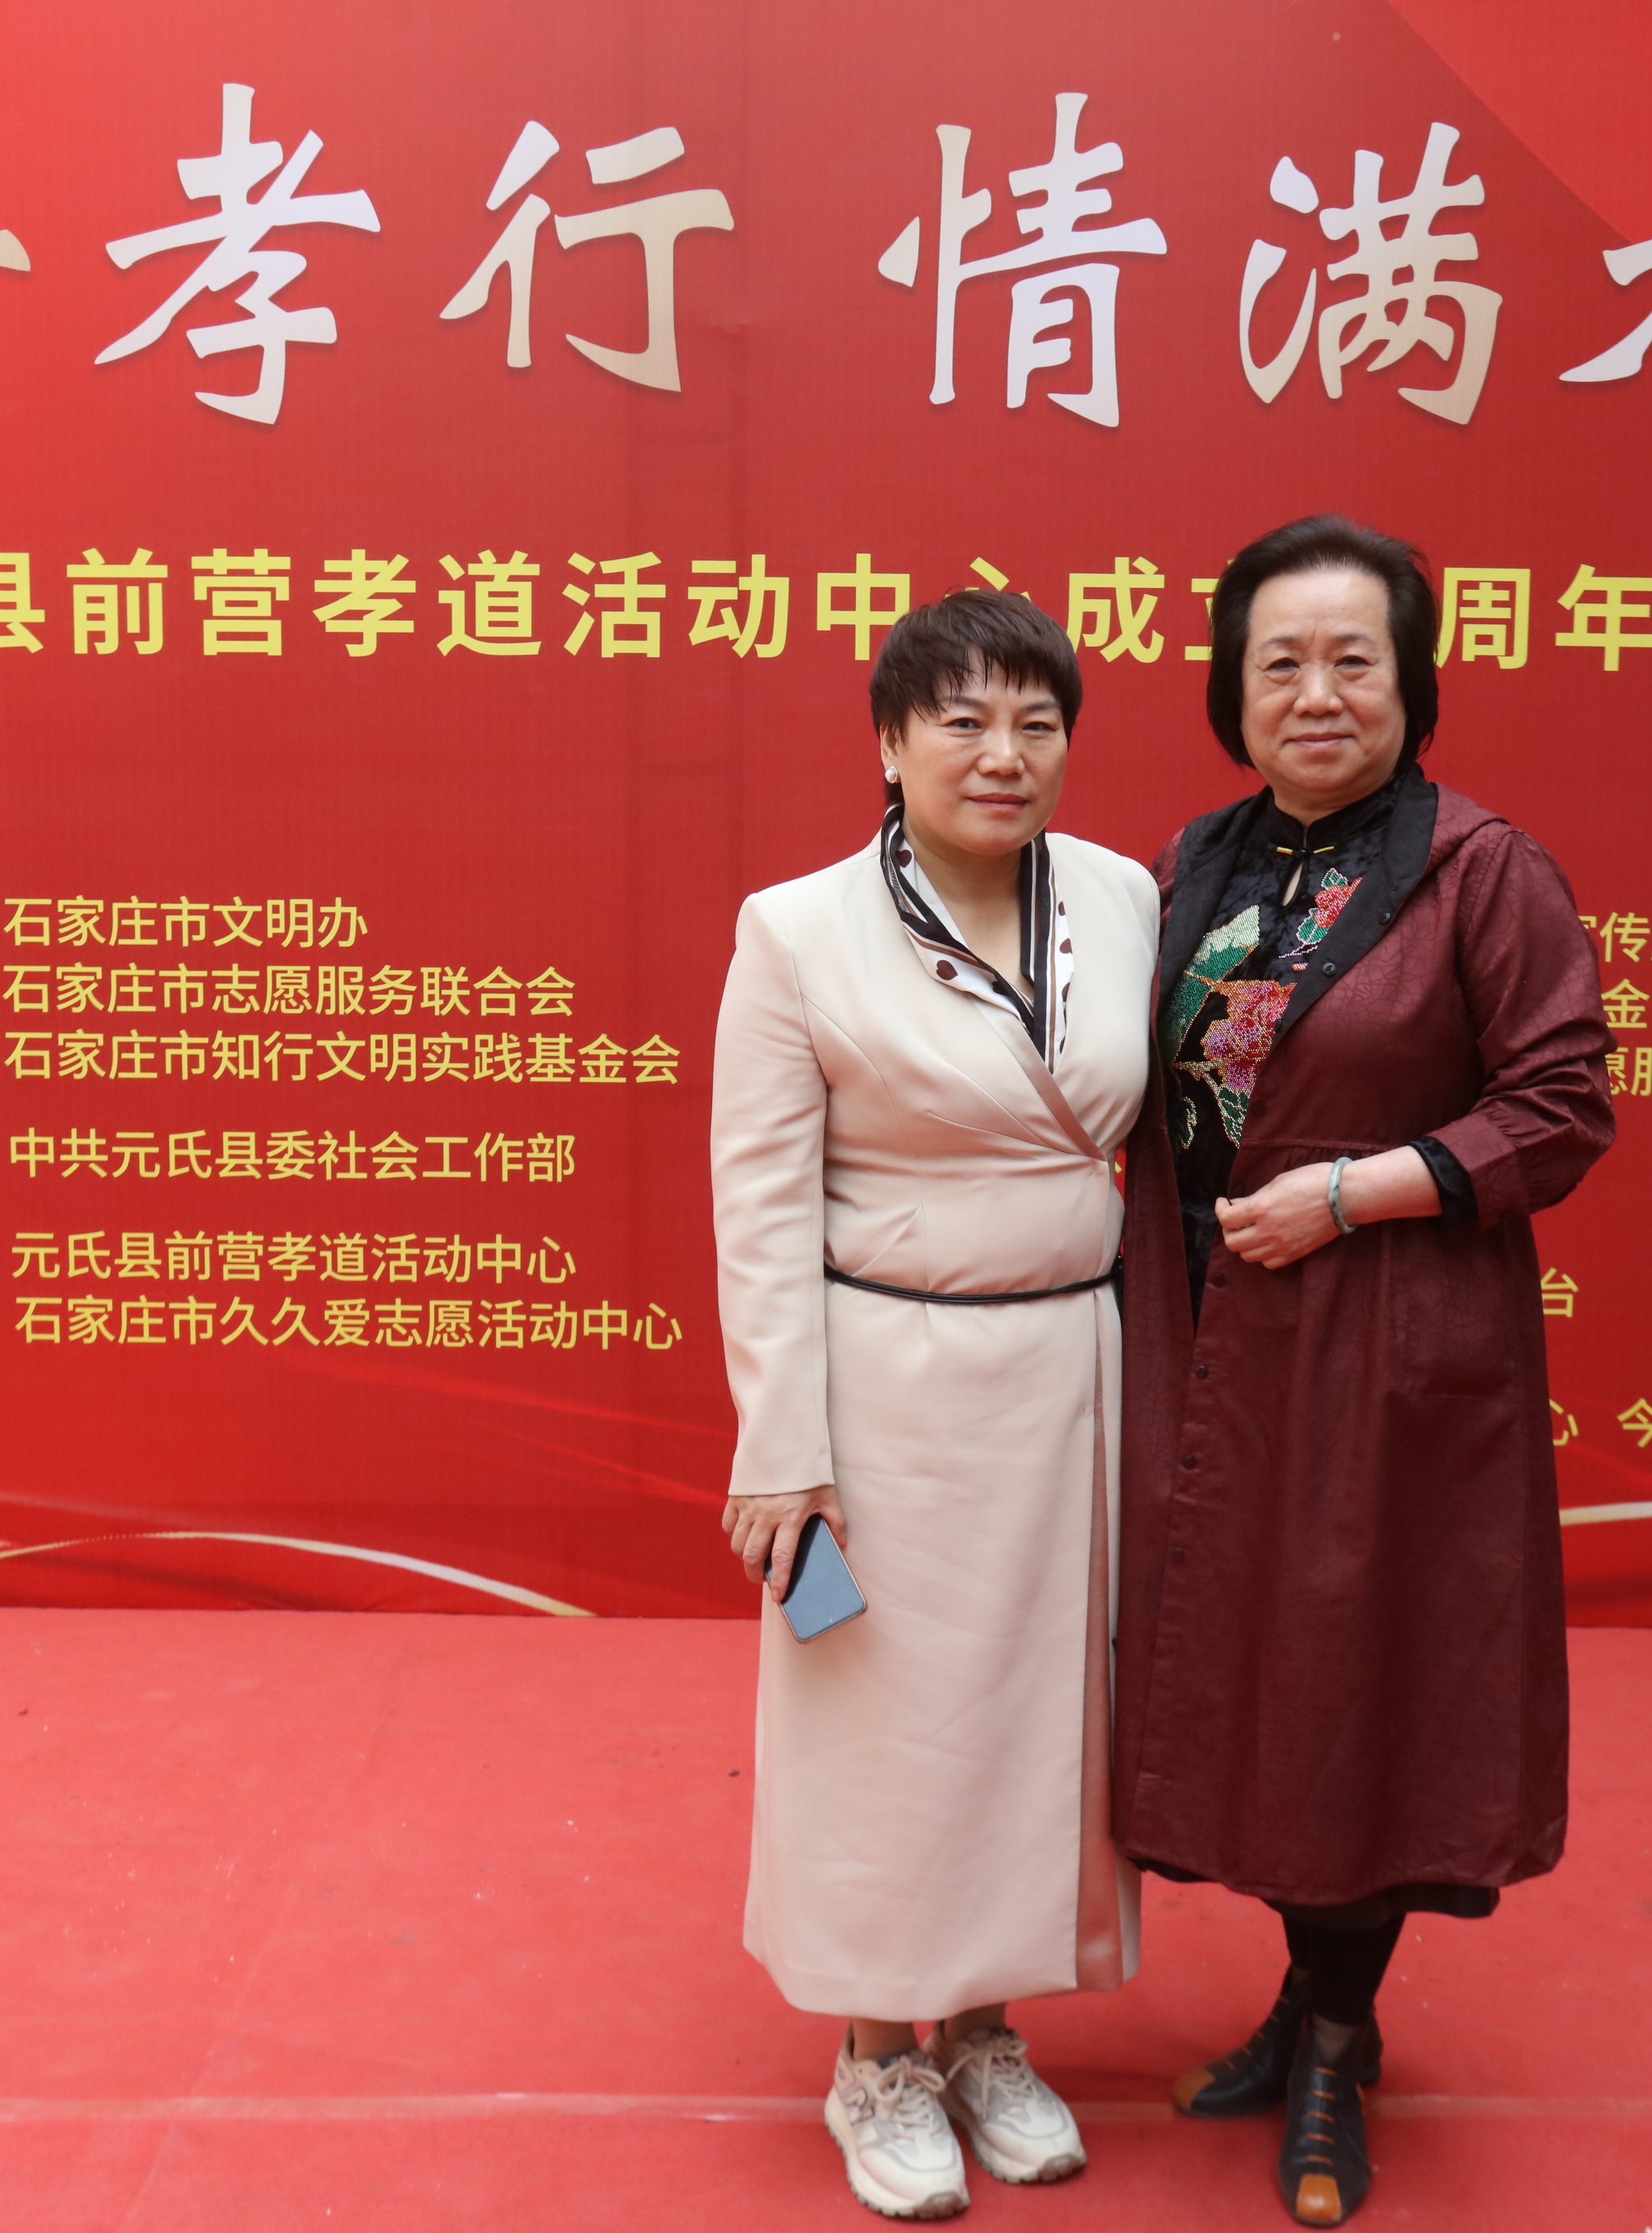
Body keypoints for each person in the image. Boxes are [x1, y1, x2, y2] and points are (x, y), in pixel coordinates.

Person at [1110, 516, 1615, 2227]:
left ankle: (1332, 2041)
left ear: (1410, 683)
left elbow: (1559, 1107)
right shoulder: (1194, 861)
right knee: (1266, 1673)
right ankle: (1305, 1998)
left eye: (1352, 660)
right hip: (1211, 1332)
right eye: (1280, 661)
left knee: (1359, 1673)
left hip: (1388, 1342)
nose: (1314, 693)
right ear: (1228, 689)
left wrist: (1349, 1194)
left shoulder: (1481, 870)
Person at [710, 589, 1160, 2221]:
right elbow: (759, 1206)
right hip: (881, 1386)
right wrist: (785, 1447)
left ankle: (980, 2031)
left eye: (1036, 722)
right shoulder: (796, 930)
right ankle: (872, 2055)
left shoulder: (1121, 897)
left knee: (1037, 1730)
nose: (1001, 754)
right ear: (890, 744)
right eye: (960, 720)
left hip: (1069, 1375)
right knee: (880, 1731)